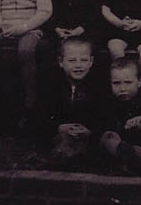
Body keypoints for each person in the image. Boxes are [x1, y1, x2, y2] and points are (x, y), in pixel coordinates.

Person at [39, 37, 99, 168]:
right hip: (61, 133)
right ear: (61, 62)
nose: (78, 65)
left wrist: (89, 131)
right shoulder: (51, 85)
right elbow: (41, 115)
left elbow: (103, 116)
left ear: (91, 62)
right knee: (61, 148)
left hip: (87, 134)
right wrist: (59, 127)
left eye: (84, 60)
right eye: (72, 60)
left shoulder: (97, 86)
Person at [99, 57, 141, 174]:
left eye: (128, 83)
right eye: (116, 83)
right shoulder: (107, 103)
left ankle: (133, 160)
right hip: (115, 149)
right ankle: (124, 158)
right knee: (108, 137)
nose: (122, 88)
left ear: (140, 81)